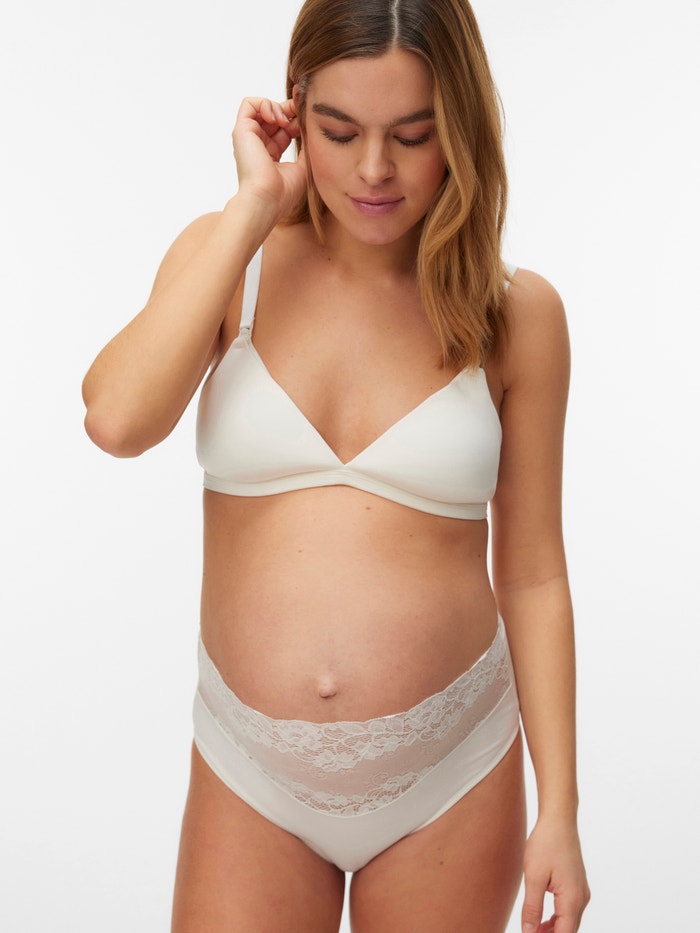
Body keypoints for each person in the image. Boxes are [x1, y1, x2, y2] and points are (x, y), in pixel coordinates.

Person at [82, 0, 590, 929]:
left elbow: (533, 572)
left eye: (413, 134)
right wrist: (252, 206)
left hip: (453, 771)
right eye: (340, 130)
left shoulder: (518, 317)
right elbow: (115, 419)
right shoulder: (229, 259)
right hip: (248, 770)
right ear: (294, 110)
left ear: (460, 128)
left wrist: (560, 808)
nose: (374, 170)